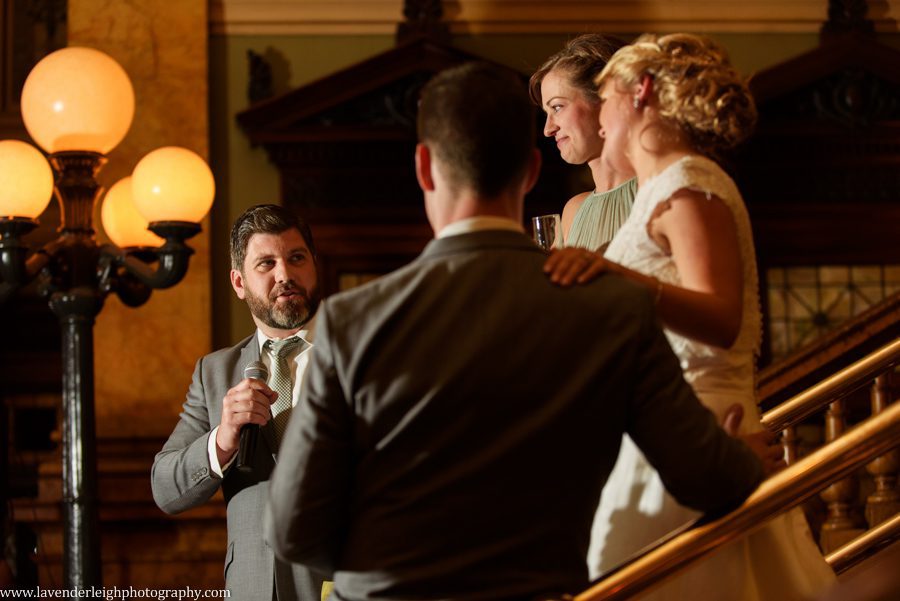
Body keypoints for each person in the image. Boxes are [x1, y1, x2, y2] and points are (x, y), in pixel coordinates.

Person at [264, 62, 778, 601]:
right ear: (532, 171)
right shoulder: (614, 310)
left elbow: (292, 527)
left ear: (424, 167)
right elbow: (703, 476)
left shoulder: (351, 322)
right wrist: (743, 459)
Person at [545, 33, 836, 599]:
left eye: (604, 98)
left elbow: (722, 316)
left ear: (642, 93)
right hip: (667, 425)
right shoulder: (662, 188)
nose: (600, 118)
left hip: (702, 421)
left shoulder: (690, 181)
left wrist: (611, 275)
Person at [151, 204, 328, 601]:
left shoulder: (361, 353)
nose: (285, 275)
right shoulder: (214, 372)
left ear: (313, 265)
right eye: (266, 264)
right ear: (239, 282)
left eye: (296, 258)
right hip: (252, 587)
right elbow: (165, 487)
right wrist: (222, 440)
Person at [529, 34, 637, 249]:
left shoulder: (662, 193)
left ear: (605, 100)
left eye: (557, 107)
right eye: (546, 113)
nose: (548, 129)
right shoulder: (573, 211)